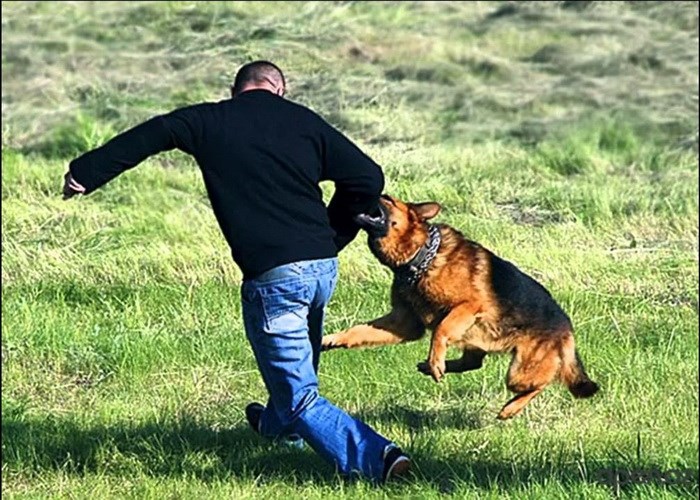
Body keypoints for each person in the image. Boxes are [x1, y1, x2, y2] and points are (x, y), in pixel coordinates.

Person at [62, 60, 411, 483]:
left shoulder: (208, 120)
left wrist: (85, 172)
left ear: (235, 90)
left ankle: (380, 460)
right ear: (280, 90)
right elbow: (368, 176)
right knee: (297, 363)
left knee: (300, 395)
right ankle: (276, 428)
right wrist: (333, 230)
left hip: (275, 276)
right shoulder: (302, 120)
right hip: (321, 269)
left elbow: (151, 134)